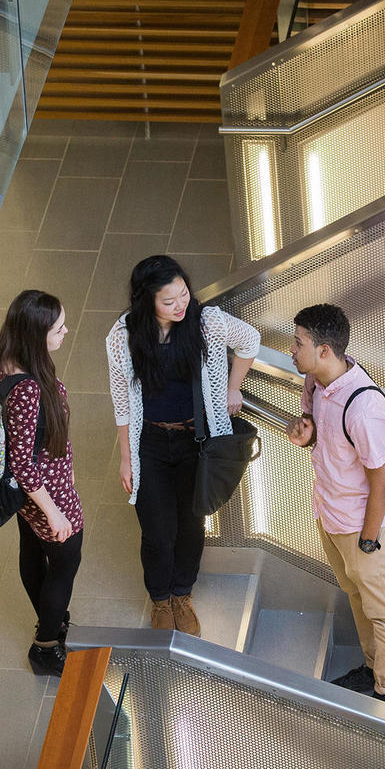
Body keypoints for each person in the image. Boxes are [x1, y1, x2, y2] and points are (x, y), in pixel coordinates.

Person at [106, 255, 260, 636]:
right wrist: (126, 458)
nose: (181, 305)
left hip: (198, 440)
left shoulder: (207, 322)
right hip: (150, 443)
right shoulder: (123, 335)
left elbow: (250, 341)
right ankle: (160, 599)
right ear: (147, 302)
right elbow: (122, 401)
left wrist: (232, 387)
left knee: (192, 524)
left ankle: (182, 595)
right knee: (157, 531)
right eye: (169, 301)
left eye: (184, 294)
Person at [286, 304, 385, 706]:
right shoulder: (317, 384)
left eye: (298, 342)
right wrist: (309, 434)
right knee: (356, 596)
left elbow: (381, 480)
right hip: (332, 515)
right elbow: (328, 438)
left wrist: (369, 540)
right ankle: (372, 668)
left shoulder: (364, 407)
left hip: (363, 527)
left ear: (324, 350)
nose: (291, 349)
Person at [0, 289, 82, 677]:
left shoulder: (8, 364)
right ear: (35, 334)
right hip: (46, 490)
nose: (65, 332)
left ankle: (52, 619)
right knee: (66, 559)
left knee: (31, 547)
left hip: (33, 492)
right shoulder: (28, 388)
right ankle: (46, 645)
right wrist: (54, 512)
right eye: (58, 328)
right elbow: (23, 464)